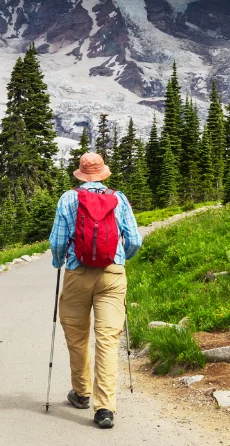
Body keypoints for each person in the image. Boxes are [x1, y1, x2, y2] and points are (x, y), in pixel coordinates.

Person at [49, 151, 142, 429]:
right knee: (107, 340)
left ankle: (81, 393)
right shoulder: (119, 198)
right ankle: (105, 409)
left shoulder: (69, 198)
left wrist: (59, 261)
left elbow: (57, 242)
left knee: (77, 337)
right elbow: (135, 239)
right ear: (103, 174)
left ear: (80, 173)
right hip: (112, 275)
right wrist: (119, 258)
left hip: (78, 274)